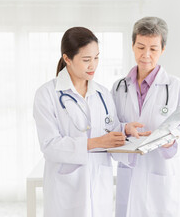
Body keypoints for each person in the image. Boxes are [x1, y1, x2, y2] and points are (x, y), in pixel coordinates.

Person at [33, 27, 146, 217]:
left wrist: (125, 129)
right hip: (66, 187)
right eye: (86, 60)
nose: (93, 65)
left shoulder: (102, 93)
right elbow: (49, 146)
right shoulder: (47, 94)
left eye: (96, 57)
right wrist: (96, 143)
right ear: (67, 59)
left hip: (98, 183)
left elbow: (110, 128)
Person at [112, 17, 180, 217]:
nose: (146, 55)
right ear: (133, 45)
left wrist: (173, 139)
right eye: (141, 47)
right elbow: (111, 125)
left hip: (163, 169)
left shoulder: (175, 86)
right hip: (131, 169)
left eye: (153, 49)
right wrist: (125, 128)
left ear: (163, 50)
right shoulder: (119, 88)